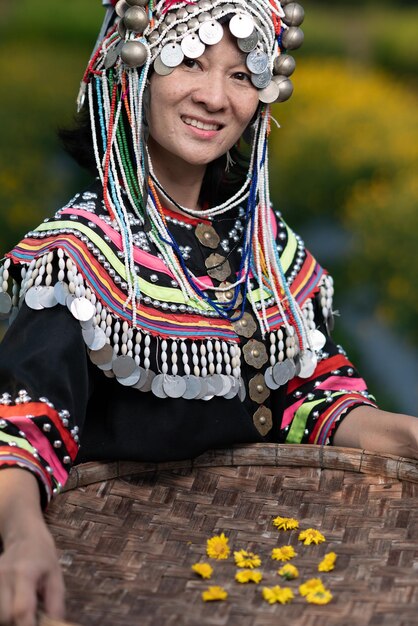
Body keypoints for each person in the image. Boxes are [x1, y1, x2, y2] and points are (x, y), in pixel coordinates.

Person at [0, 0, 417, 623]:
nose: (216, 97)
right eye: (189, 62)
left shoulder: (263, 246)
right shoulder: (81, 252)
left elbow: (307, 399)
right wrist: (21, 536)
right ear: (129, 71)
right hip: (114, 567)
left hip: (254, 552)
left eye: (242, 75)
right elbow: (23, 430)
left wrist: (406, 435)